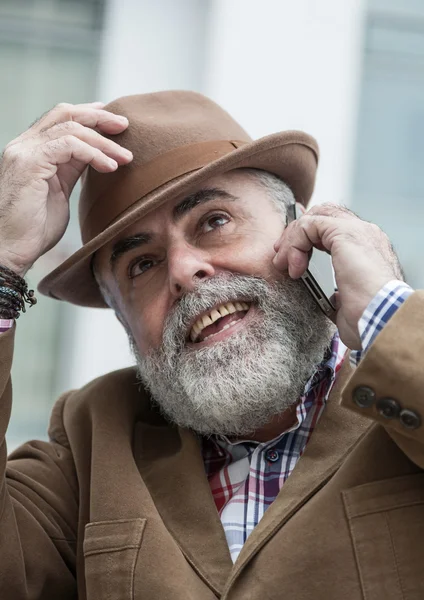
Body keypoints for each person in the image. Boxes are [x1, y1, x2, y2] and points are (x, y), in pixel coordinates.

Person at [0, 90, 422, 600]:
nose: (182, 270)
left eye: (215, 221)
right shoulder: (90, 437)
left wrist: (385, 314)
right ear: (124, 320)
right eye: (143, 264)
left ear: (303, 232)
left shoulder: (399, 398)